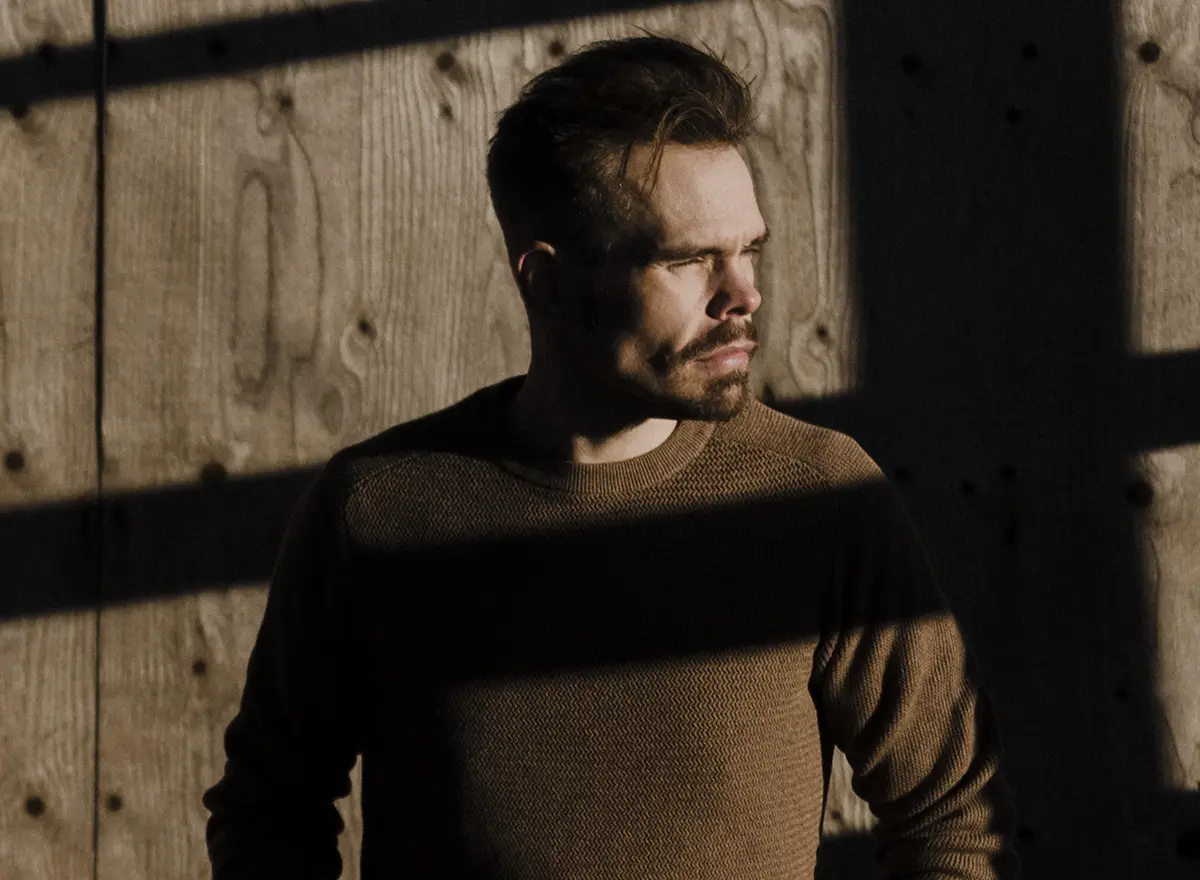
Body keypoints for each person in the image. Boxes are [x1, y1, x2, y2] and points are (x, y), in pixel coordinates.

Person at [203, 31, 1020, 880]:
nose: (744, 294)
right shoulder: (378, 509)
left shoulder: (816, 498)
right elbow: (270, 810)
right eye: (689, 258)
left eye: (748, 250)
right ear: (549, 283)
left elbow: (952, 818)